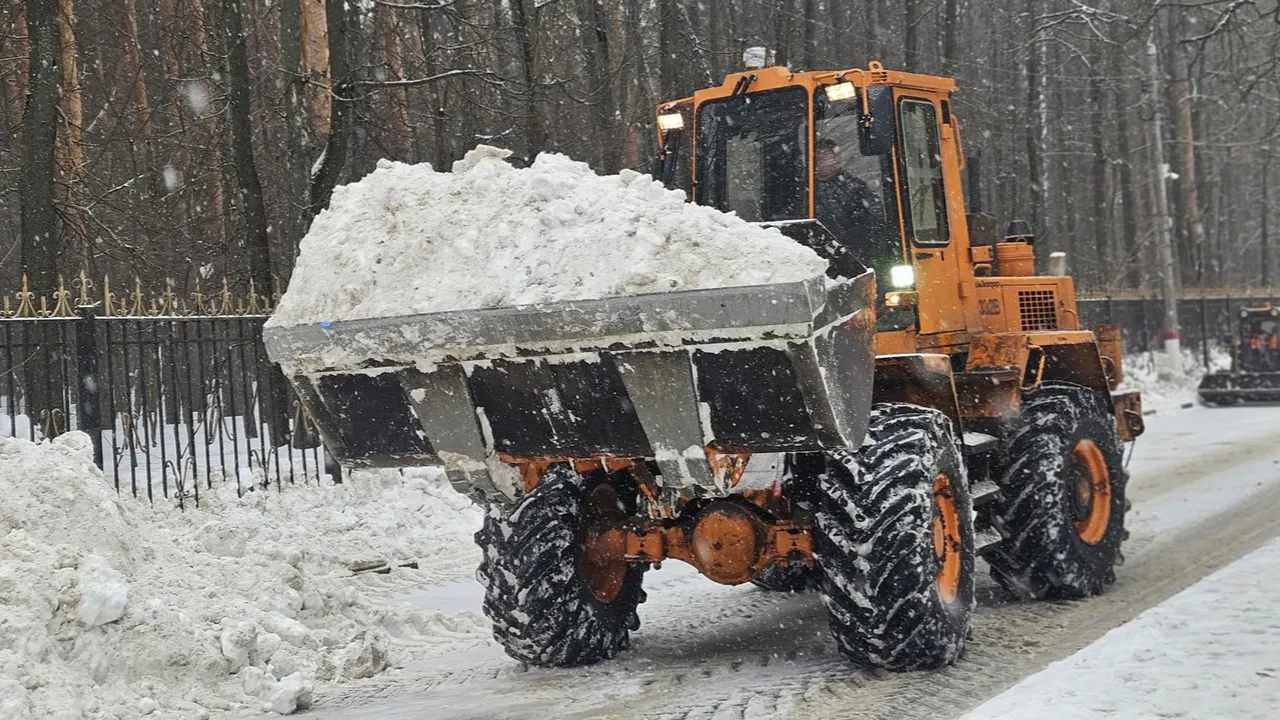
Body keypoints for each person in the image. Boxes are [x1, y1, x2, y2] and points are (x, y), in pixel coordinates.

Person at [812, 138, 885, 266]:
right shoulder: (804, 189)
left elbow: (876, 213)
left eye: (829, 157)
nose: (827, 162)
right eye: (821, 157)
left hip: (855, 255)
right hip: (818, 256)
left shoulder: (854, 186)